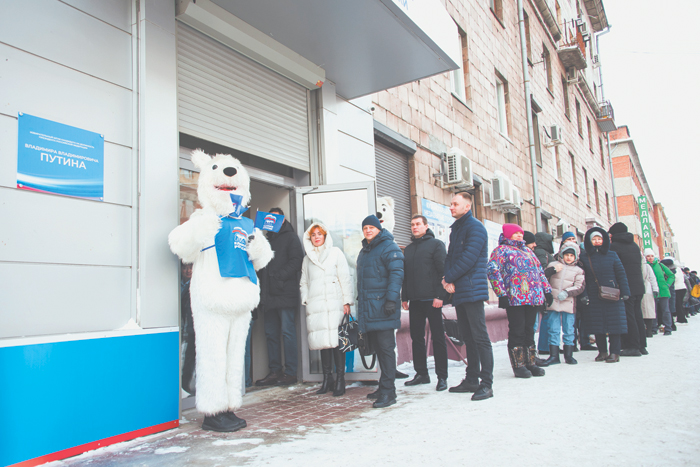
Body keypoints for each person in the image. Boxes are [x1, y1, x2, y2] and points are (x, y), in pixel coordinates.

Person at [442, 192, 494, 401]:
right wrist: (447, 278)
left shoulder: (475, 227)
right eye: (451, 204)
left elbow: (468, 259)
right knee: (469, 337)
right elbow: (450, 257)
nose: (451, 207)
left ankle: (487, 383)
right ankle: (472, 378)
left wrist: (448, 279)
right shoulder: (457, 229)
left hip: (472, 289)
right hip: (461, 290)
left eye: (455, 204)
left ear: (467, 206)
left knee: (480, 337)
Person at [487, 223, 551, 378]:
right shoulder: (501, 251)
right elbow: (493, 271)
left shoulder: (528, 251)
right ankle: (519, 365)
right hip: (514, 297)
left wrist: (547, 290)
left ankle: (531, 362)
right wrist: (501, 294)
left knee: (530, 330)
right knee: (518, 331)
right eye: (515, 233)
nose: (519, 235)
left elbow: (540, 272)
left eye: (520, 233)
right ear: (507, 234)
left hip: (533, 296)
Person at [300, 222, 354, 396]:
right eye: (313, 234)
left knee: (337, 343)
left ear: (325, 236)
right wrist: (306, 298)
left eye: (319, 234)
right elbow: (304, 282)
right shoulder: (307, 258)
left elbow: (345, 278)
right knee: (324, 343)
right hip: (317, 306)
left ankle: (340, 380)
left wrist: (347, 302)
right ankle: (327, 379)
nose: (316, 237)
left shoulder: (336, 253)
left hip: (334, 303)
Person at [356, 215, 404, 408]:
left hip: (384, 307)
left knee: (385, 350)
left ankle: (389, 392)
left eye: (371, 227)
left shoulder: (389, 247)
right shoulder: (366, 250)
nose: (368, 230)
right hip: (370, 308)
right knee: (378, 349)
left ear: (379, 228)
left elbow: (397, 274)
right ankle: (383, 386)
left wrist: (391, 299)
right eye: (365, 227)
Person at [256, 208, 304, 387]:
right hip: (268, 295)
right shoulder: (265, 239)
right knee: (271, 334)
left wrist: (278, 277)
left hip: (284, 293)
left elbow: (297, 261)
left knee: (287, 332)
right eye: (271, 217)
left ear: (283, 219)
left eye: (277, 217)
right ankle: (274, 371)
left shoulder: (291, 237)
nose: (274, 220)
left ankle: (290, 373)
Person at [401, 215, 449, 391]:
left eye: (418, 224)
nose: (415, 227)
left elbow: (443, 272)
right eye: (412, 224)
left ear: (426, 226)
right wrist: (404, 297)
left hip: (433, 300)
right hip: (415, 301)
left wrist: (440, 296)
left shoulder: (436, 245)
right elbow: (406, 275)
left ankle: (442, 377)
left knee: (438, 338)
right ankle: (421, 374)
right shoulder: (410, 248)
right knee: (416, 338)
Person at [579, 228, 630, 363]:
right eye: (594, 239)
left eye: (599, 239)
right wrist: (583, 294)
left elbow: (621, 274)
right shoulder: (584, 257)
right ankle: (602, 352)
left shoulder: (612, 255)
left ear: (604, 240)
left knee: (615, 325)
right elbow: (581, 278)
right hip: (594, 294)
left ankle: (615, 353)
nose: (597, 241)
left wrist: (625, 292)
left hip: (613, 294)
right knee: (598, 325)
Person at [541, 243, 585, 365]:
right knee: (553, 329)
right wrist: (551, 271)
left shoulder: (578, 271)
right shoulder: (554, 265)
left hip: (568, 303)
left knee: (569, 329)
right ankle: (554, 355)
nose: (569, 257)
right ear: (561, 255)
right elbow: (544, 278)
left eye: (572, 255)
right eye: (566, 255)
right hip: (553, 302)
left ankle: (569, 355)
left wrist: (567, 292)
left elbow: (579, 286)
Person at [608, 222, 647, 357]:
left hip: (626, 287)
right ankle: (642, 345)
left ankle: (632, 346)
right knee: (637, 315)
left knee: (628, 316)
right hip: (638, 286)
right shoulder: (634, 245)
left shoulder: (614, 247)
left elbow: (614, 267)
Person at [533, 232, 556, 355]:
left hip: (542, 290)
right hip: (542, 291)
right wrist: (554, 270)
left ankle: (544, 346)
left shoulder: (542, 252)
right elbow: (542, 271)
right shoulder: (541, 252)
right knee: (542, 319)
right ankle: (543, 347)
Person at [645, 249, 674, 336]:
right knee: (653, 310)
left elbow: (671, 275)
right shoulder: (645, 266)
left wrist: (667, 284)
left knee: (665, 310)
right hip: (651, 291)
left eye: (652, 256)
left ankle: (668, 328)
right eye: (648, 256)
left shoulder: (660, 265)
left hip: (663, 291)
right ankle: (654, 328)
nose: (650, 258)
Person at [181, 261, 196, 395]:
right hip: (182, 328)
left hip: (193, 329)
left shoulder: (195, 285)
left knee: (190, 359)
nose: (188, 271)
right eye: (185, 268)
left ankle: (186, 386)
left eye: (190, 267)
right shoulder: (178, 285)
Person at [641, 261, 659, 339]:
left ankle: (649, 330)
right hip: (640, 290)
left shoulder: (647, 266)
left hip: (647, 291)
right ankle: (645, 330)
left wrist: (655, 289)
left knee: (649, 311)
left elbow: (652, 278)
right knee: (643, 312)